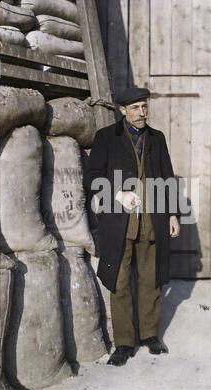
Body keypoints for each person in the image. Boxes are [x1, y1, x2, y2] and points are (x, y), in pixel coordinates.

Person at [89, 87, 180, 366]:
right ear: (123, 110)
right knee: (119, 281)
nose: (142, 113)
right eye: (137, 108)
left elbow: (168, 178)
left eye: (145, 107)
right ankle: (125, 343)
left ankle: (150, 335)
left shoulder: (157, 138)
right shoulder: (106, 138)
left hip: (152, 221)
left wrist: (174, 215)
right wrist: (118, 194)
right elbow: (92, 176)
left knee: (150, 279)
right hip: (119, 223)